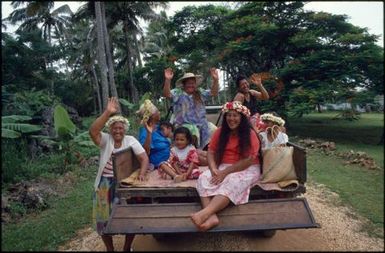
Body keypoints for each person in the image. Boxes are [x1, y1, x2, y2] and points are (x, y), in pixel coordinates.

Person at [190, 101, 261, 231]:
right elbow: (211, 152)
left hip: (248, 168)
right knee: (203, 178)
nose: (231, 119)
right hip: (224, 166)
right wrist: (213, 169)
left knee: (231, 181)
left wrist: (225, 172)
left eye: (235, 116)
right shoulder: (220, 131)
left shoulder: (250, 134)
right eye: (229, 115)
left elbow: (249, 160)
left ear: (242, 118)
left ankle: (205, 213)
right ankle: (212, 217)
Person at [89, 97, 149, 251]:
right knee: (102, 220)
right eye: (114, 128)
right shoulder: (106, 140)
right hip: (104, 183)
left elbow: (143, 158)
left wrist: (142, 173)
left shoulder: (130, 140)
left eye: (120, 128)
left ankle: (127, 247)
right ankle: (110, 249)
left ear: (125, 129)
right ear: (110, 129)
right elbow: (93, 131)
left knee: (130, 216)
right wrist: (108, 112)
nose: (117, 131)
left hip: (125, 183)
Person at [163, 67, 219, 150]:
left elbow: (213, 93)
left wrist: (216, 80)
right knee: (194, 131)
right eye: (188, 83)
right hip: (183, 124)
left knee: (215, 130)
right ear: (184, 84)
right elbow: (166, 94)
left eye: (193, 83)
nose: (191, 85)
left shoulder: (199, 92)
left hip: (202, 123)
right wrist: (167, 80)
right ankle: (193, 154)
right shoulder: (178, 92)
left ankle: (209, 152)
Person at [137, 99, 173, 170]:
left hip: (169, 158)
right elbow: (145, 152)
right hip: (159, 164)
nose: (159, 112)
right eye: (157, 111)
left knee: (196, 153)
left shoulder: (157, 127)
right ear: (152, 116)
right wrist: (149, 134)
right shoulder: (145, 131)